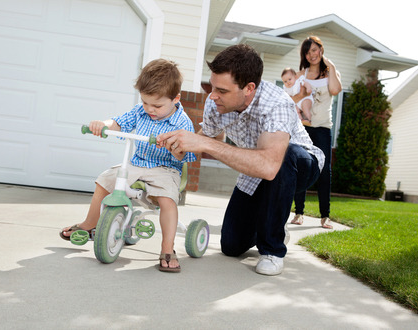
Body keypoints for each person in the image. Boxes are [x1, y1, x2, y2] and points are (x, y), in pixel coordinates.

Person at [156, 44, 325, 276]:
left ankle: (273, 250)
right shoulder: (215, 103)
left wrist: (206, 144)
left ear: (249, 88)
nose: (213, 95)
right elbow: (203, 139)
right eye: (213, 87)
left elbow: (269, 166)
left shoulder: (277, 104)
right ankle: (274, 220)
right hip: (255, 169)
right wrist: (180, 146)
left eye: (222, 91)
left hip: (299, 165)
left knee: (286, 156)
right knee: (231, 245)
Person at [60, 59, 197, 273]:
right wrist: (102, 125)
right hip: (137, 164)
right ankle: (89, 224)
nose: (150, 109)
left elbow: (184, 156)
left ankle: (167, 248)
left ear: (175, 99)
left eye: (157, 105)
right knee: (105, 180)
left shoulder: (182, 122)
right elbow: (118, 122)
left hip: (166, 169)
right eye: (145, 102)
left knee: (167, 199)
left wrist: (173, 148)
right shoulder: (139, 111)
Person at [289, 36, 342, 228]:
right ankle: (299, 213)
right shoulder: (300, 74)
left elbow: (335, 90)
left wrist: (333, 67)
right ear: (305, 54)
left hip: (322, 128)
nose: (313, 54)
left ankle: (325, 216)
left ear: (321, 49)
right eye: (308, 51)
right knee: (301, 167)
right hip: (302, 128)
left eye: (315, 49)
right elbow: (293, 99)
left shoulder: (330, 73)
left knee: (324, 171)